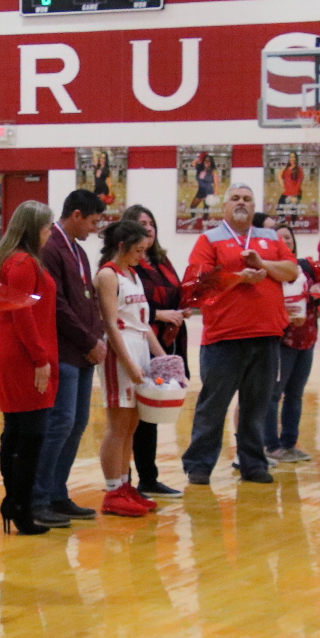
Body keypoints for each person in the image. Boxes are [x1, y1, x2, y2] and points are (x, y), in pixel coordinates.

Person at [181, 186, 301, 482]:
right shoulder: (209, 239)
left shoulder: (271, 238)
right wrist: (238, 277)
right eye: (235, 198)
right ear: (224, 206)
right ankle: (198, 464)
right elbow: (198, 285)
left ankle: (253, 463)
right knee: (214, 406)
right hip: (224, 337)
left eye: (247, 199)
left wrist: (262, 264)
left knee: (256, 406)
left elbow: (291, 270)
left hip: (266, 335)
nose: (241, 203)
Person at [0, 200, 62, 534]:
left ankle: (15, 502)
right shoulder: (23, 262)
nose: (49, 234)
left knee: (18, 431)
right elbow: (23, 313)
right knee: (29, 436)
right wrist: (40, 358)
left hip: (12, 352)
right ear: (34, 229)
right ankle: (20, 506)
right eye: (47, 227)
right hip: (21, 355)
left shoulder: (10, 259)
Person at [35, 189, 108, 520]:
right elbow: (57, 305)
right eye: (92, 221)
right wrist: (88, 340)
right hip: (65, 350)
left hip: (82, 351)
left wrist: (96, 336)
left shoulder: (77, 250)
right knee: (60, 423)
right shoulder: (50, 248)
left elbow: (87, 297)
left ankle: (57, 492)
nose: (94, 229)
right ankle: (39, 497)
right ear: (76, 214)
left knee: (77, 423)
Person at [94, 219, 167, 515]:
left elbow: (143, 324)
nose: (142, 255)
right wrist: (128, 363)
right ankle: (112, 492)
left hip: (139, 351)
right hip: (118, 353)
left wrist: (162, 360)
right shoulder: (107, 275)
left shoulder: (134, 275)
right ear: (122, 246)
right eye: (138, 250)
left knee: (133, 425)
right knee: (118, 426)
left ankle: (126, 487)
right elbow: (110, 325)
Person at [123, 204, 186, 497]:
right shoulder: (123, 266)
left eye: (151, 223)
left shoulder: (162, 260)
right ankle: (121, 480)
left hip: (167, 342)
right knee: (129, 416)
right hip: (137, 345)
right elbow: (128, 310)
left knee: (152, 413)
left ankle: (148, 478)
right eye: (141, 224)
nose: (148, 229)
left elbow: (176, 292)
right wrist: (159, 315)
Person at [267, 221, 317, 464]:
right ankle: (271, 444)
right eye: (280, 238)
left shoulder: (306, 268)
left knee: (295, 394)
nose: (286, 242)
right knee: (274, 394)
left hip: (305, 338)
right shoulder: (270, 272)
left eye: (288, 237)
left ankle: (290, 443)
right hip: (281, 340)